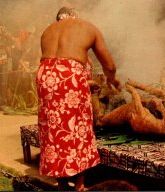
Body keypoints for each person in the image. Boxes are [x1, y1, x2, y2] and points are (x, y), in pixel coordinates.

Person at [36, 7, 121, 191]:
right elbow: (110, 65)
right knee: (79, 127)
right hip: (70, 74)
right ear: (76, 17)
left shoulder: (48, 30)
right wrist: (112, 79)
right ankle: (80, 185)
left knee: (54, 127)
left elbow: (53, 62)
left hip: (46, 76)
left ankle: (62, 183)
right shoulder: (87, 27)